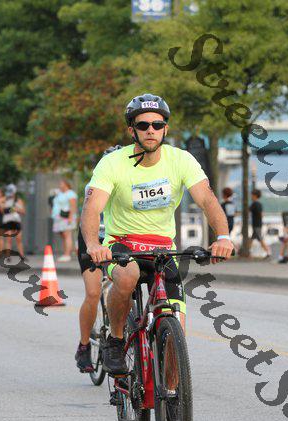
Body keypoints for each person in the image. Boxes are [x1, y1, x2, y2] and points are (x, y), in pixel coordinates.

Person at [81, 93, 234, 375]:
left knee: (177, 336)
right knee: (127, 277)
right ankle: (116, 340)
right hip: (122, 244)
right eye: (143, 125)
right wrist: (93, 244)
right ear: (132, 130)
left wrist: (223, 237)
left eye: (157, 124)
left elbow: (207, 200)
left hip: (162, 248)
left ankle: (172, 393)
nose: (150, 130)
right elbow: (92, 209)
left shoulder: (181, 160)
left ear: (165, 129)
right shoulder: (112, 163)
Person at [75, 146, 122, 373]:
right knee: (93, 292)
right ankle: (84, 346)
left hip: (117, 238)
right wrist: (93, 245)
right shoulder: (96, 185)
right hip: (93, 238)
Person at [51, 179, 78, 262]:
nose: (60, 185)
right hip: (58, 217)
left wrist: (70, 217)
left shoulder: (70, 193)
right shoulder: (59, 193)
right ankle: (70, 251)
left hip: (66, 217)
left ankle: (67, 254)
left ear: (66, 184)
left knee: (67, 235)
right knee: (63, 235)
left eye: (61, 184)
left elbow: (73, 206)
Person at [2, 184, 26, 258]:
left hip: (16, 221)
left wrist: (16, 209)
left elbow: (23, 212)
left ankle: (22, 256)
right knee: (8, 239)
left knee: (19, 239)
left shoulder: (18, 200)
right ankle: (8, 256)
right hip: (7, 221)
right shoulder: (4, 200)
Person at [248, 189, 271, 259]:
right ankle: (248, 252)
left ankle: (268, 252)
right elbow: (261, 214)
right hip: (258, 224)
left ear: (255, 196)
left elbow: (248, 211)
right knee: (252, 239)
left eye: (252, 195)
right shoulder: (259, 204)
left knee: (260, 239)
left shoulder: (255, 204)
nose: (251, 196)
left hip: (256, 225)